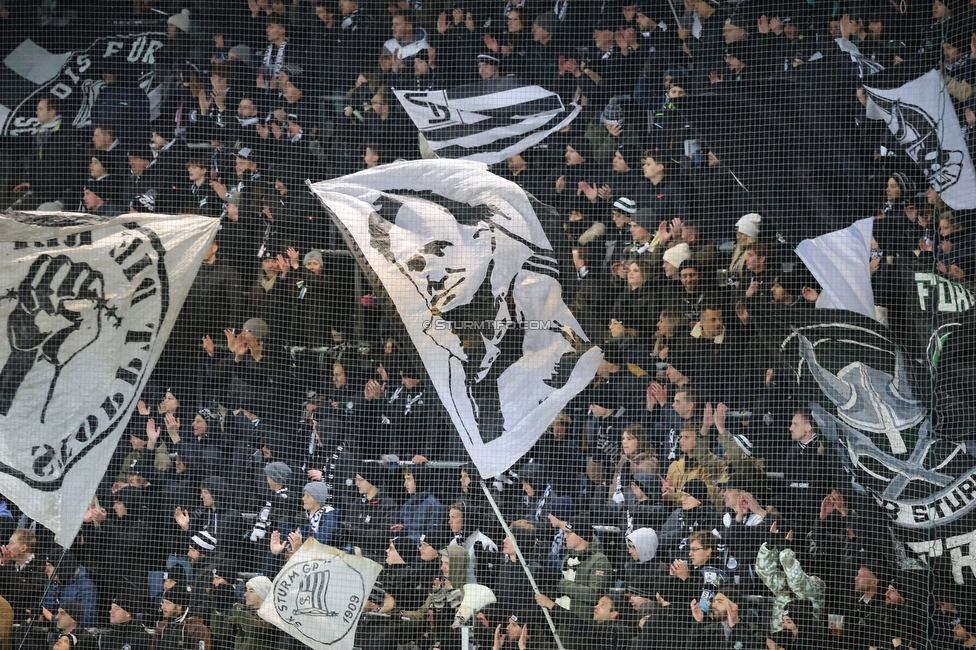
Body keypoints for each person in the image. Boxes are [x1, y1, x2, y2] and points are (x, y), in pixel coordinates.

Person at [210, 576, 277, 650]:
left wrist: (235, 605)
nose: (245, 594)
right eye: (246, 590)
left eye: (251, 591)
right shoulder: (244, 610)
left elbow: (254, 628)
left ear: (262, 593)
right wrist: (219, 609)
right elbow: (220, 632)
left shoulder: (272, 614)